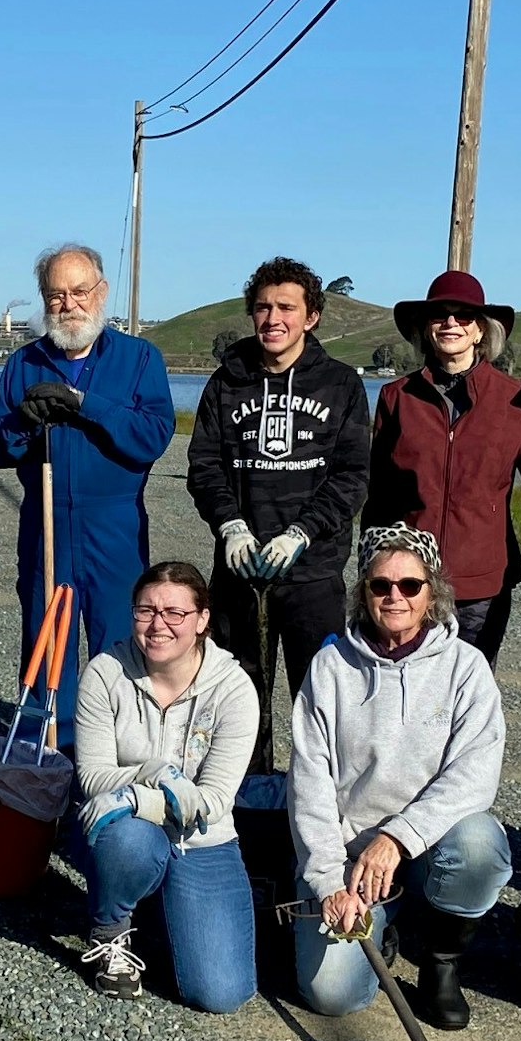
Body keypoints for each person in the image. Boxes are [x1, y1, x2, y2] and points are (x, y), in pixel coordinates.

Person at [287, 525, 512, 1029]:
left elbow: (475, 775)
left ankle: (441, 961)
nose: (395, 596)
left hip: (428, 842)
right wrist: (327, 883)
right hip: (351, 851)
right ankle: (380, 924)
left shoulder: (466, 667)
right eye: (380, 585)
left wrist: (398, 836)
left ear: (432, 592)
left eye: (410, 585)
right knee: (333, 994)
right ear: (362, 592)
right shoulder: (328, 668)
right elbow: (309, 785)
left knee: (481, 844)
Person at [0, 244, 176, 743]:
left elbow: (153, 435)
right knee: (47, 649)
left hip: (114, 528)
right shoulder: (26, 362)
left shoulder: (137, 358)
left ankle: (118, 760)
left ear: (101, 293)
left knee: (120, 646)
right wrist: (21, 423)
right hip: (47, 524)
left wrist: (87, 405)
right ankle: (50, 761)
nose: (69, 304)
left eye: (79, 291)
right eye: (56, 295)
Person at [186, 257, 368, 771]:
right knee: (239, 704)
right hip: (240, 572)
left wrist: (303, 533)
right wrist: (230, 525)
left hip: (311, 574)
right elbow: (204, 466)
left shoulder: (339, 385)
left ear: (310, 317)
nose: (273, 319)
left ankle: (320, 820)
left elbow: (352, 476)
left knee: (322, 702)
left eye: (286, 307)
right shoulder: (226, 383)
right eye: (263, 307)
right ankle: (242, 813)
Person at [74, 562, 259, 1011]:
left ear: (201, 620)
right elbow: (92, 777)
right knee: (128, 838)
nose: (159, 625)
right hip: (129, 830)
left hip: (203, 839)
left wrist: (139, 795)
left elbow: (212, 802)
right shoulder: (105, 672)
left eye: (175, 613)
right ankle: (112, 927)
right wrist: (157, 774)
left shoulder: (234, 689)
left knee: (220, 995)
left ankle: (161, 908)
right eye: (146, 610)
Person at [365, 270, 521, 667]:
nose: (451, 323)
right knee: (406, 687)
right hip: (409, 582)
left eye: (464, 315)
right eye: (439, 315)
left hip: (482, 584)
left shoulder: (516, 400)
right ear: (425, 329)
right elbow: (378, 496)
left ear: (481, 330)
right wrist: (371, 570)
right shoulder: (396, 397)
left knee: (471, 693)